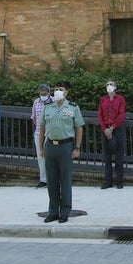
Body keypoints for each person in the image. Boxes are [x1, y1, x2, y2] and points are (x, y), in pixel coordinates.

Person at [38, 81, 84, 223]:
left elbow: (79, 127)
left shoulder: (73, 107)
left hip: (66, 146)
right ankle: (53, 211)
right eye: (56, 89)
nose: (58, 91)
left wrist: (77, 147)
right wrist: (41, 148)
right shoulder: (48, 107)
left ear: (66, 92)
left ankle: (64, 211)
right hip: (50, 146)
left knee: (65, 180)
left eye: (61, 89)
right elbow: (42, 128)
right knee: (51, 181)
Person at [98, 79, 126, 189]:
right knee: (107, 157)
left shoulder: (120, 99)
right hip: (105, 130)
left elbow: (121, 115)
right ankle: (108, 181)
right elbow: (100, 115)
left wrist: (112, 127)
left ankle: (119, 181)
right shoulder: (103, 100)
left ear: (115, 87)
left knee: (119, 156)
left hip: (116, 129)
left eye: (111, 84)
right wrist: (105, 129)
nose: (109, 86)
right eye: (107, 85)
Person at [31, 83, 50, 188]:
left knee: (50, 156)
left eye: (44, 91)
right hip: (38, 133)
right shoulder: (36, 102)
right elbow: (33, 117)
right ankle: (43, 180)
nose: (43, 93)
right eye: (41, 91)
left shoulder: (53, 101)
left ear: (48, 92)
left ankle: (52, 179)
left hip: (50, 133)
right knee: (40, 157)